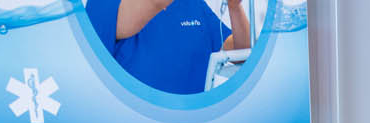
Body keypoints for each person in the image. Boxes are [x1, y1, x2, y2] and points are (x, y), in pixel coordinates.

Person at [85, 0, 250, 95]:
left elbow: (239, 52)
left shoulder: (193, 4)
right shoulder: (105, 4)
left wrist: (234, 7)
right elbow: (157, 3)